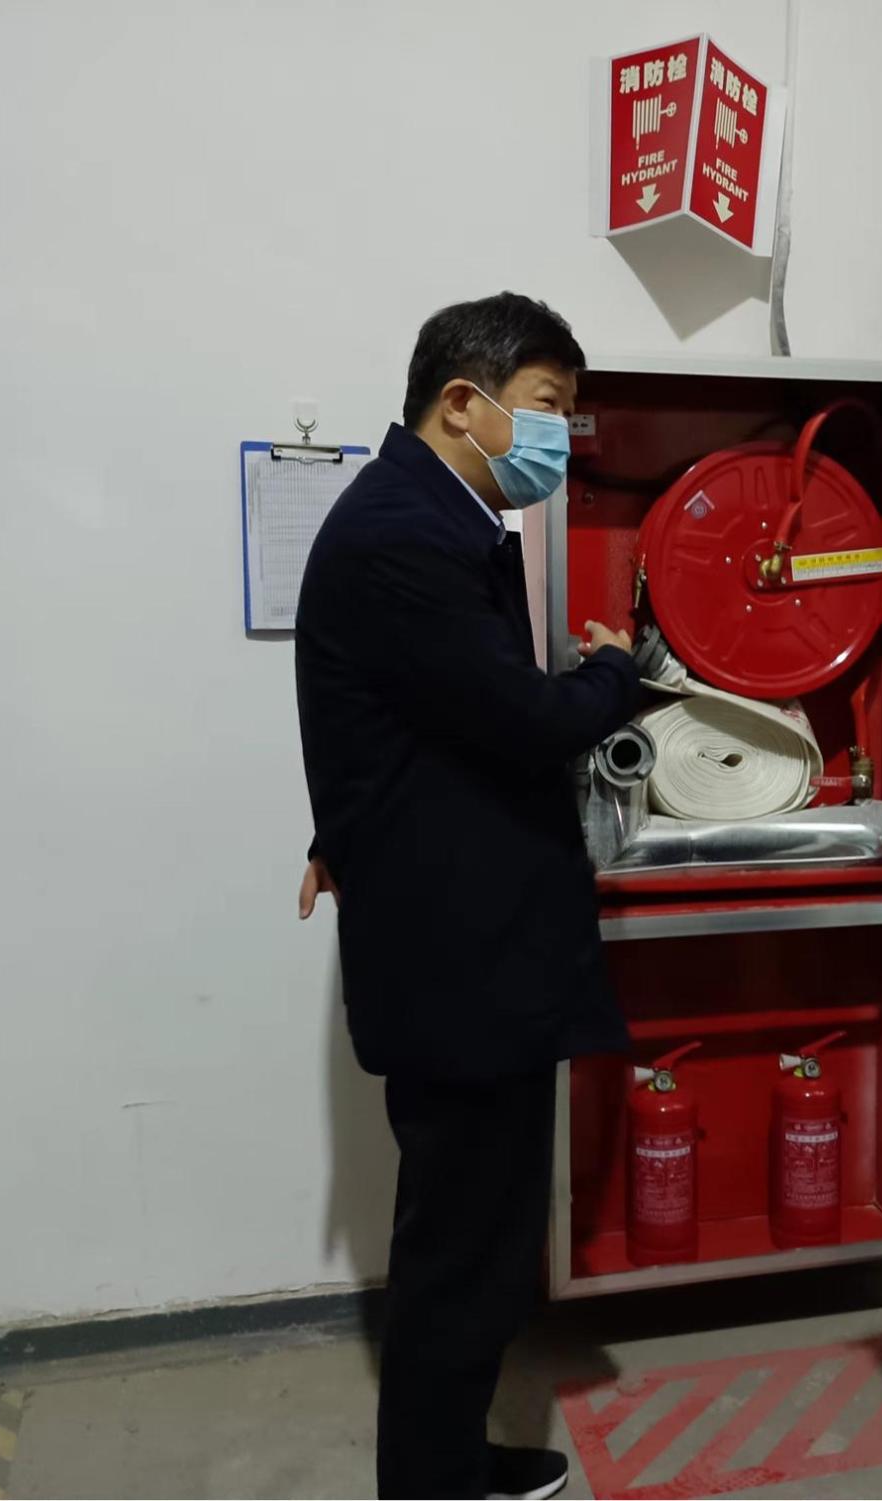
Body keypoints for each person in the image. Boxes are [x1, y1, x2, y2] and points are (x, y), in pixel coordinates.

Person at [293, 293, 640, 1500]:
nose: (558, 435)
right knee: (461, 1250)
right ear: (461, 401)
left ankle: (448, 1461)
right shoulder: (406, 535)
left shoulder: (436, 522)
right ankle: (432, 1484)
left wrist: (344, 826)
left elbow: (400, 719)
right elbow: (520, 717)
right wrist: (617, 675)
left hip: (466, 948)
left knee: (477, 1244)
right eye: (546, 407)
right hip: (462, 970)